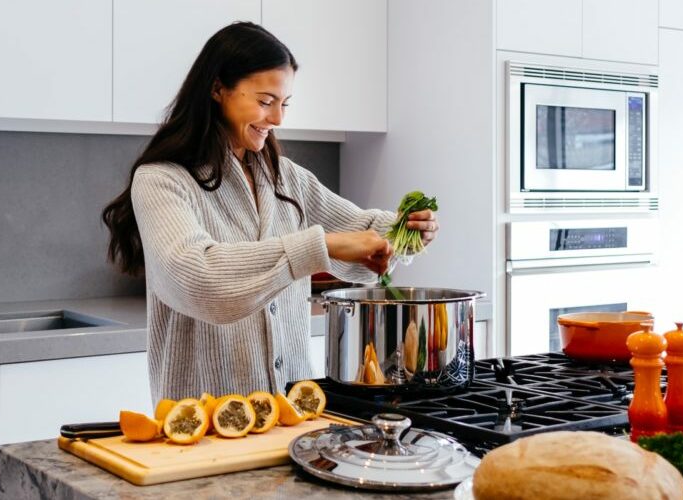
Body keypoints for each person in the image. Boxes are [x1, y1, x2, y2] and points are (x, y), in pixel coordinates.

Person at [102, 22, 438, 400]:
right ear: (217, 89)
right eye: (265, 101)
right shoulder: (162, 180)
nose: (278, 119)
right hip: (205, 423)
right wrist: (318, 247)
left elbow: (360, 232)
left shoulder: (287, 178)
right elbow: (197, 279)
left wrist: (404, 231)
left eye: (284, 103)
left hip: (295, 412)